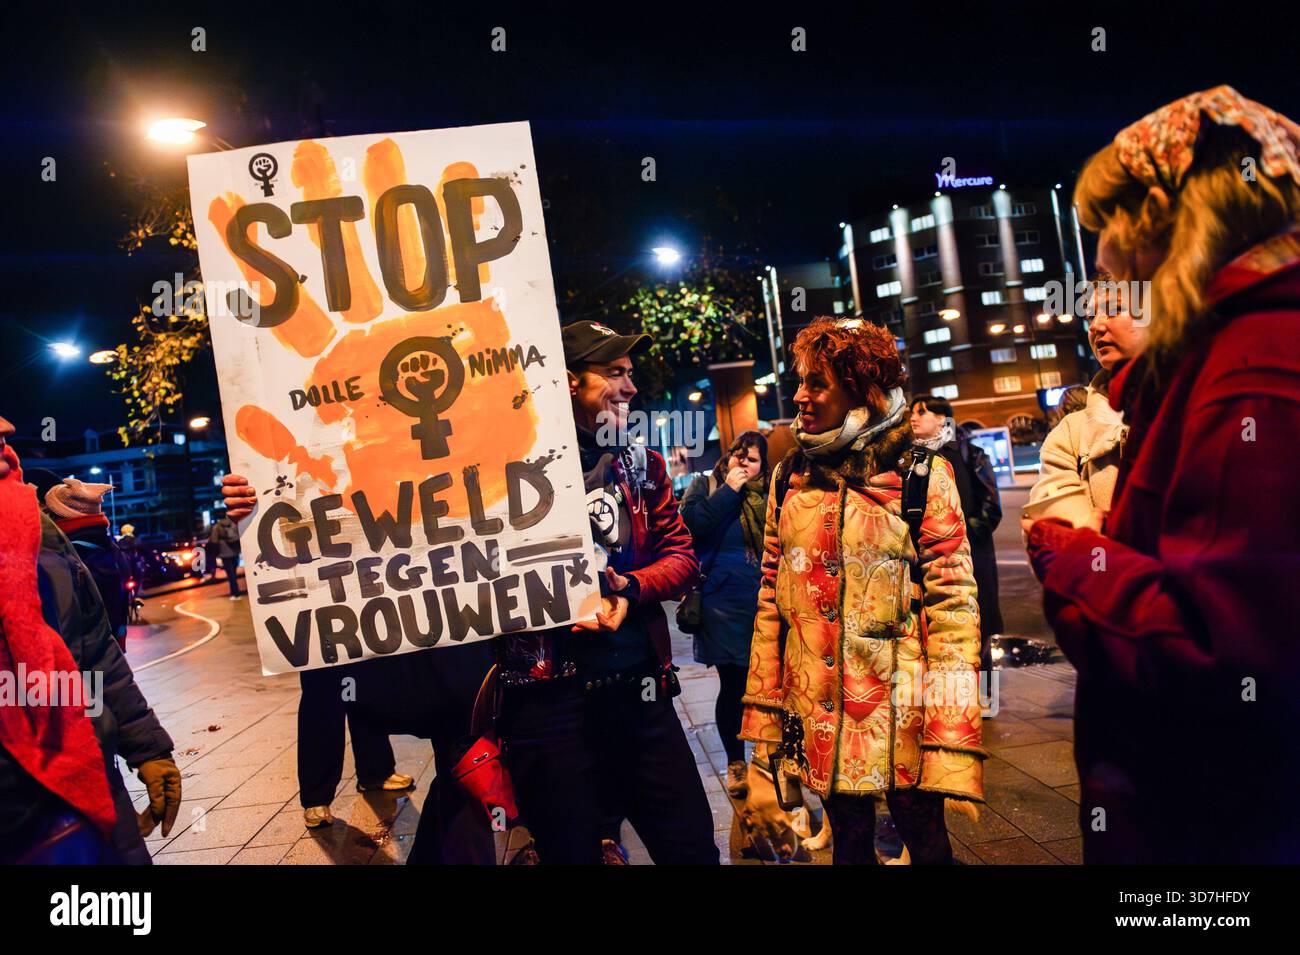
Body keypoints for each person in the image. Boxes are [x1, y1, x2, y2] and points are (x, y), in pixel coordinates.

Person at [1025, 86, 1300, 863]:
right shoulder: (1231, 351)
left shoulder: (1250, 366)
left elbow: (1221, 657)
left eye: (1106, 228)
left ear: (1154, 217)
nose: (1103, 260)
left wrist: (1074, 557)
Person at [741, 317, 983, 865]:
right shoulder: (790, 477)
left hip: (902, 710)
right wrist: (765, 710)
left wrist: (950, 733)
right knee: (848, 844)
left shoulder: (922, 474)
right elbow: (770, 598)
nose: (800, 396)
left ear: (862, 390)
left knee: (927, 843)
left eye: (817, 383)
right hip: (816, 708)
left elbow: (954, 609)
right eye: (799, 380)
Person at [496, 320, 717, 864]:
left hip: (640, 698)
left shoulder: (643, 465)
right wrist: (253, 498)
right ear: (569, 382)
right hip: (549, 708)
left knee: (691, 847)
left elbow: (683, 558)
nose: (630, 387)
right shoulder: (499, 469)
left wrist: (633, 589)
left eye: (631, 373)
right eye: (614, 372)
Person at [0, 417, 182, 864]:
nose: (6, 450)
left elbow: (96, 656)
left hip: (89, 777)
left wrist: (148, 747)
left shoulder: (46, 541)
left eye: (5, 439)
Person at [1, 420, 119, 863]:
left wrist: (142, 743)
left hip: (76, 779)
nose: (8, 435)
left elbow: (95, 644)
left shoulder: (49, 544)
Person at [680, 430, 769, 797]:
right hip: (720, 602)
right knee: (733, 685)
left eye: (752, 458)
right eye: (738, 454)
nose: (743, 462)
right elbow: (692, 527)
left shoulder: (769, 493)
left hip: (763, 600)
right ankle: (736, 763)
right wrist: (729, 491)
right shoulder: (705, 485)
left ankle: (770, 760)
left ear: (763, 464)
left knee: (768, 685)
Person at [1027, 276, 1147, 520]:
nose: (1095, 327)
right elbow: (1054, 531)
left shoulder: (1202, 401)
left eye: (1114, 310)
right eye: (1091, 316)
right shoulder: (1071, 434)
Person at [910, 395, 1002, 674]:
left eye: (921, 412)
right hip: (934, 558)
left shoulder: (970, 454)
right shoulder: (914, 461)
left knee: (981, 621)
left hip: (975, 555)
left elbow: (992, 507)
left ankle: (986, 696)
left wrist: (962, 534)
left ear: (942, 420)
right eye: (913, 412)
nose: (913, 418)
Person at [26, 473, 133, 650]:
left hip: (82, 660)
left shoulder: (65, 556)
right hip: (110, 651)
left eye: (48, 513)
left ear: (57, 517)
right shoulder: (110, 548)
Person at [208, 511, 243, 598]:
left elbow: (214, 540)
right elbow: (239, 535)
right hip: (234, 551)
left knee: (230, 574)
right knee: (234, 573)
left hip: (224, 553)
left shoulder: (217, 527)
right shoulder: (233, 524)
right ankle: (236, 591)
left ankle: (234, 592)